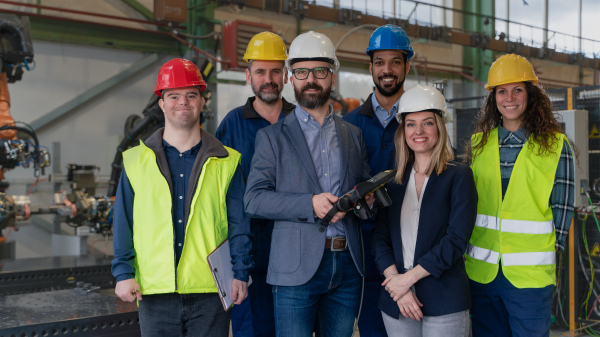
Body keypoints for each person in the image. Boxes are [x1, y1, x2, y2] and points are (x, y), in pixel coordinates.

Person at [111, 58, 253, 337]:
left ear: (202, 102)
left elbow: (239, 225)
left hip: (210, 290)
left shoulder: (228, 161)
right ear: (162, 104)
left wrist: (240, 272)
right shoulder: (135, 161)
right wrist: (123, 272)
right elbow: (123, 223)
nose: (183, 102)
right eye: (173, 96)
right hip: (154, 291)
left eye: (191, 95)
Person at [244, 30, 372, 337]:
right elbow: (254, 200)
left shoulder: (352, 135)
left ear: (332, 77)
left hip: (347, 266)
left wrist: (366, 201)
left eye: (320, 71)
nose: (311, 79)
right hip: (294, 270)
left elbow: (362, 187)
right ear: (291, 78)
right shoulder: (271, 138)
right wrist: (309, 204)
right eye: (302, 71)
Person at [465, 54, 575, 337]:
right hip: (482, 273)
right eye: (502, 91)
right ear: (493, 99)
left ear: (531, 94)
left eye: (518, 90)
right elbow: (467, 205)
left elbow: (563, 208)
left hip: (530, 278)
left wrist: (548, 255)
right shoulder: (478, 145)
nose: (509, 98)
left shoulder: (554, 145)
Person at [371, 84, 477, 337]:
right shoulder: (393, 181)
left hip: (444, 297)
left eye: (427, 123)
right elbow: (379, 238)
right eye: (410, 124)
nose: (418, 131)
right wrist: (399, 285)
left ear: (439, 127)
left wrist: (408, 280)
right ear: (402, 130)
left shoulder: (459, 176)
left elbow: (456, 240)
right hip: (398, 298)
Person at [215, 31, 295, 337]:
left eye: (275, 71)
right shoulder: (232, 126)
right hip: (249, 254)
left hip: (296, 251)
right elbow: (220, 195)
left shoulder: (301, 121)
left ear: (286, 76)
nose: (268, 78)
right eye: (260, 71)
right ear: (249, 75)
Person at [343, 24, 414, 337]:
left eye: (395, 62)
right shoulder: (348, 125)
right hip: (366, 248)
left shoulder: (422, 120)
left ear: (406, 66)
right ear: (370, 67)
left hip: (413, 246)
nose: (387, 70)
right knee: (372, 328)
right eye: (380, 63)